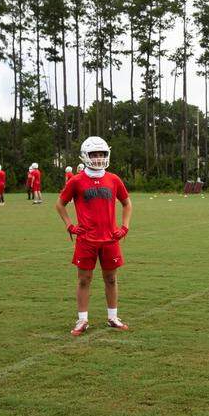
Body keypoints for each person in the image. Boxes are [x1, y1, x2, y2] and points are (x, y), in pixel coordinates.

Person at [56, 136, 132, 336]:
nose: (98, 158)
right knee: (83, 280)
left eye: (101, 154)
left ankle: (113, 317)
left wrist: (124, 227)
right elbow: (60, 204)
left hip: (110, 239)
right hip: (86, 240)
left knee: (111, 279)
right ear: (85, 156)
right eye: (94, 154)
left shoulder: (113, 179)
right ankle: (82, 320)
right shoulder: (77, 180)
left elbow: (127, 203)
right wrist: (70, 226)